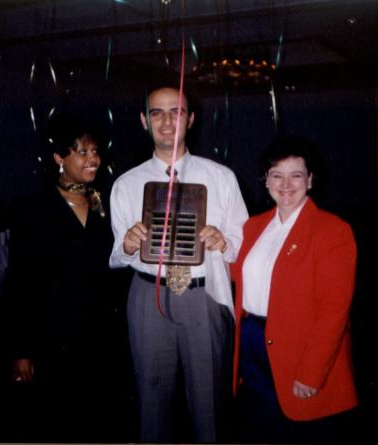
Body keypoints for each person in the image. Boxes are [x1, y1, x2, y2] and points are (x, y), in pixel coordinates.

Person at [109, 85, 249, 442]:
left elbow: (242, 242)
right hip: (146, 294)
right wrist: (127, 244)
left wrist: (225, 242)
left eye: (177, 112)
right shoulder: (126, 183)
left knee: (210, 405)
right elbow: (117, 253)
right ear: (144, 120)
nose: (167, 121)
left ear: (191, 118)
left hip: (203, 296)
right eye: (157, 112)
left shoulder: (222, 177)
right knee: (151, 402)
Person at [4, 113, 132, 442]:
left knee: (103, 416)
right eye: (83, 152)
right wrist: (21, 349)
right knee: (59, 417)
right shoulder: (33, 209)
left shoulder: (107, 202)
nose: (93, 160)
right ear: (60, 158)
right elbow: (20, 282)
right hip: (54, 334)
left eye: (95, 152)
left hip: (103, 332)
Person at [231, 135, 358, 443]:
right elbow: (237, 279)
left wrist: (313, 372)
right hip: (251, 343)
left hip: (301, 350)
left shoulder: (332, 230)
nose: (285, 184)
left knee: (300, 431)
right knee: (261, 428)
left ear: (310, 180)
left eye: (296, 175)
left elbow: (334, 310)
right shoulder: (252, 226)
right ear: (266, 180)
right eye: (277, 175)